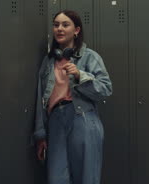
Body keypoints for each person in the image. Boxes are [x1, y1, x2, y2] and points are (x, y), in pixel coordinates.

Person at [34, 10, 112, 184]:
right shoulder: (49, 61)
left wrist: (80, 76)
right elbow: (40, 99)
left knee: (86, 177)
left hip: (82, 119)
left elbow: (106, 89)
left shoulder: (90, 57)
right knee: (56, 178)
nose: (59, 29)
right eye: (56, 25)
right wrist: (40, 134)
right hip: (55, 121)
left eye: (65, 25)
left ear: (76, 30)